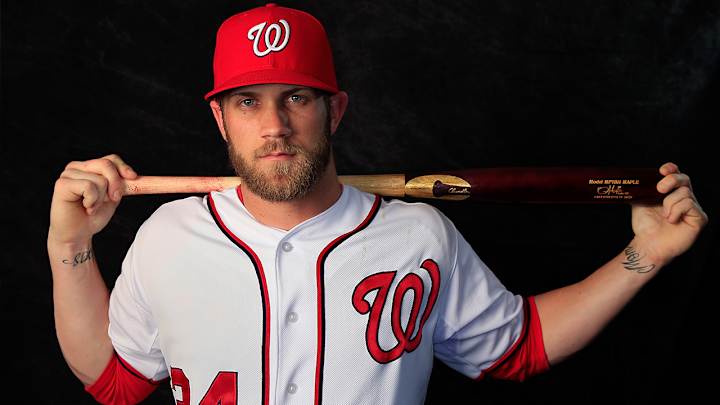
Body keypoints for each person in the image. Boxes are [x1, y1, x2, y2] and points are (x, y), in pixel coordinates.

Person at [47, 3, 708, 405]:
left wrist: (643, 255)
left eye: (297, 97)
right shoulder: (168, 235)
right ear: (221, 119)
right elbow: (114, 382)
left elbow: (520, 347)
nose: (274, 126)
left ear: (335, 110)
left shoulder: (420, 235)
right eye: (248, 102)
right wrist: (68, 246)